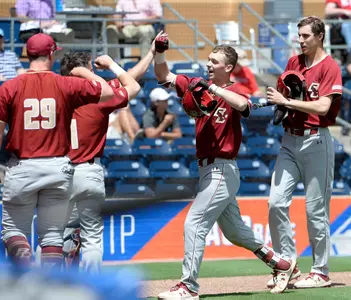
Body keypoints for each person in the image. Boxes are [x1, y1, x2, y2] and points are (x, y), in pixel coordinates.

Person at [153, 34, 296, 299]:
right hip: (207, 170)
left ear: (228, 67)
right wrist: (159, 52)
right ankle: (282, 264)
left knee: (194, 224)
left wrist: (214, 89)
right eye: (208, 60)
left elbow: (243, 104)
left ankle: (188, 287)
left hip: (222, 168)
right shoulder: (196, 83)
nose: (208, 64)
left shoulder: (235, 90)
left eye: (214, 61)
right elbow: (164, 73)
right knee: (234, 232)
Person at [36, 32, 166, 272]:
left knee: (51, 236)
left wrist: (150, 53)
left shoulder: (52, 96)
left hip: (56, 173)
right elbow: (131, 83)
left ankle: (40, 285)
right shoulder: (98, 98)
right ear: (84, 72)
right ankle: (89, 290)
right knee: (92, 237)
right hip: (88, 172)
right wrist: (123, 61)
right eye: (90, 70)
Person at [0, 33, 115, 270]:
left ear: (26, 54)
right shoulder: (66, 84)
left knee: (14, 232)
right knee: (52, 237)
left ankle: (23, 277)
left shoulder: (8, 87)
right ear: (51, 54)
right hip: (58, 167)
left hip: (22, 166)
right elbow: (107, 92)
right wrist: (84, 71)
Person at [266, 16, 342, 289]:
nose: (300, 40)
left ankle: (320, 271)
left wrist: (287, 100)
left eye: (306, 36)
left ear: (320, 36)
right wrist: (278, 99)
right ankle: (288, 265)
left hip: (316, 141)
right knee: (275, 203)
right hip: (289, 139)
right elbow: (283, 95)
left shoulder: (331, 66)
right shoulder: (293, 63)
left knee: (315, 211)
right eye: (299, 35)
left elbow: (322, 108)